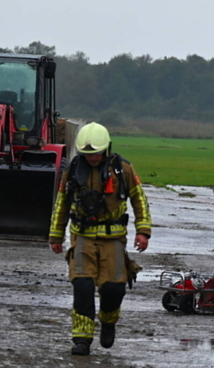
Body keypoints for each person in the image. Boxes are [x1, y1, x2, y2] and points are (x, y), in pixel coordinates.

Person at [48, 122, 152, 356]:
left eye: (96, 154)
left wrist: (143, 231)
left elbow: (139, 199)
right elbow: (62, 202)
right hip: (82, 238)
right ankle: (82, 339)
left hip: (113, 239)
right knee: (82, 286)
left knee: (114, 289)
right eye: (87, 154)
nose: (92, 158)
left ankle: (108, 321)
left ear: (105, 149)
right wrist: (56, 235)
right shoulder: (73, 170)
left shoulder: (123, 169)